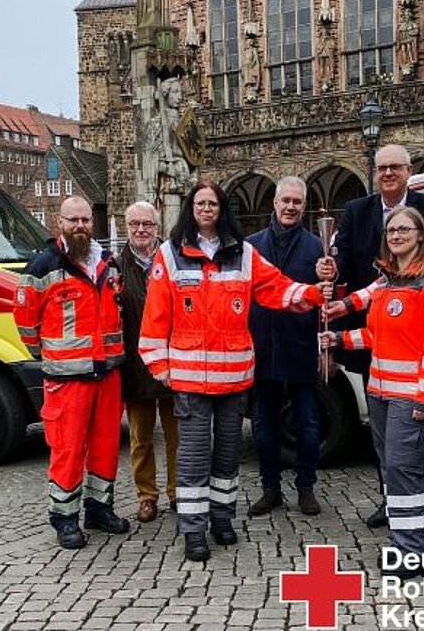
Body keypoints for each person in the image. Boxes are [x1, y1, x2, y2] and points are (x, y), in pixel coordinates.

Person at [139, 178, 332, 562]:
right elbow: (156, 316)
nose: (207, 210)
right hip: (190, 379)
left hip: (234, 379)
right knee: (193, 458)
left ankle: (223, 518)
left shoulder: (243, 254)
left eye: (213, 203)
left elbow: (277, 289)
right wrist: (159, 365)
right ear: (191, 209)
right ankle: (194, 529)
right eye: (200, 204)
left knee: (227, 456)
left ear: (222, 209)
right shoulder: (169, 254)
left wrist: (313, 293)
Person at [320, 206, 424, 579]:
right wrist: (340, 337)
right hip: (380, 392)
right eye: (391, 230)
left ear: (421, 235)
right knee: (391, 471)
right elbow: (380, 337)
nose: (396, 236)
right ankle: (404, 539)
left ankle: (415, 551)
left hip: (410, 397)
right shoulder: (390, 278)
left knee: (404, 470)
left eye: (404, 230)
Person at [332, 143, 424, 529]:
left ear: (408, 170)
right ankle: (393, 501)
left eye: (394, 167)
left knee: (417, 435)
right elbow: (349, 265)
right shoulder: (356, 210)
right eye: (381, 167)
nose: (387, 174)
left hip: (416, 342)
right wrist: (332, 281)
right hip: (377, 338)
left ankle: (418, 499)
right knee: (384, 440)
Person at [14, 196, 130, 550]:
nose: (80, 226)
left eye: (85, 220)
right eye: (73, 220)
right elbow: (25, 323)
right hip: (67, 380)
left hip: (107, 374)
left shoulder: (108, 264)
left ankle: (99, 509)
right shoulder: (42, 267)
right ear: (59, 223)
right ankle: (64, 519)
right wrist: (51, 356)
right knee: (67, 451)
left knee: (105, 448)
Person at [245, 177, 336, 518]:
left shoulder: (318, 248)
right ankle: (271, 489)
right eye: (286, 200)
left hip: (301, 346)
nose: (291, 206)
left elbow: (329, 301)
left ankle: (306, 488)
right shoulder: (250, 246)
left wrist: (328, 346)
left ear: (304, 206)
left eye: (297, 201)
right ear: (274, 202)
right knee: (264, 426)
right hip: (262, 346)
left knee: (308, 425)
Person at [119, 201, 178, 523]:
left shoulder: (172, 262)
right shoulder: (116, 267)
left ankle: (177, 492)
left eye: (148, 224)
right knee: (140, 439)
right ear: (126, 227)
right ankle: (147, 496)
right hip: (135, 367)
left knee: (177, 438)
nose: (141, 230)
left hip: (171, 366)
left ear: (158, 228)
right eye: (135, 224)